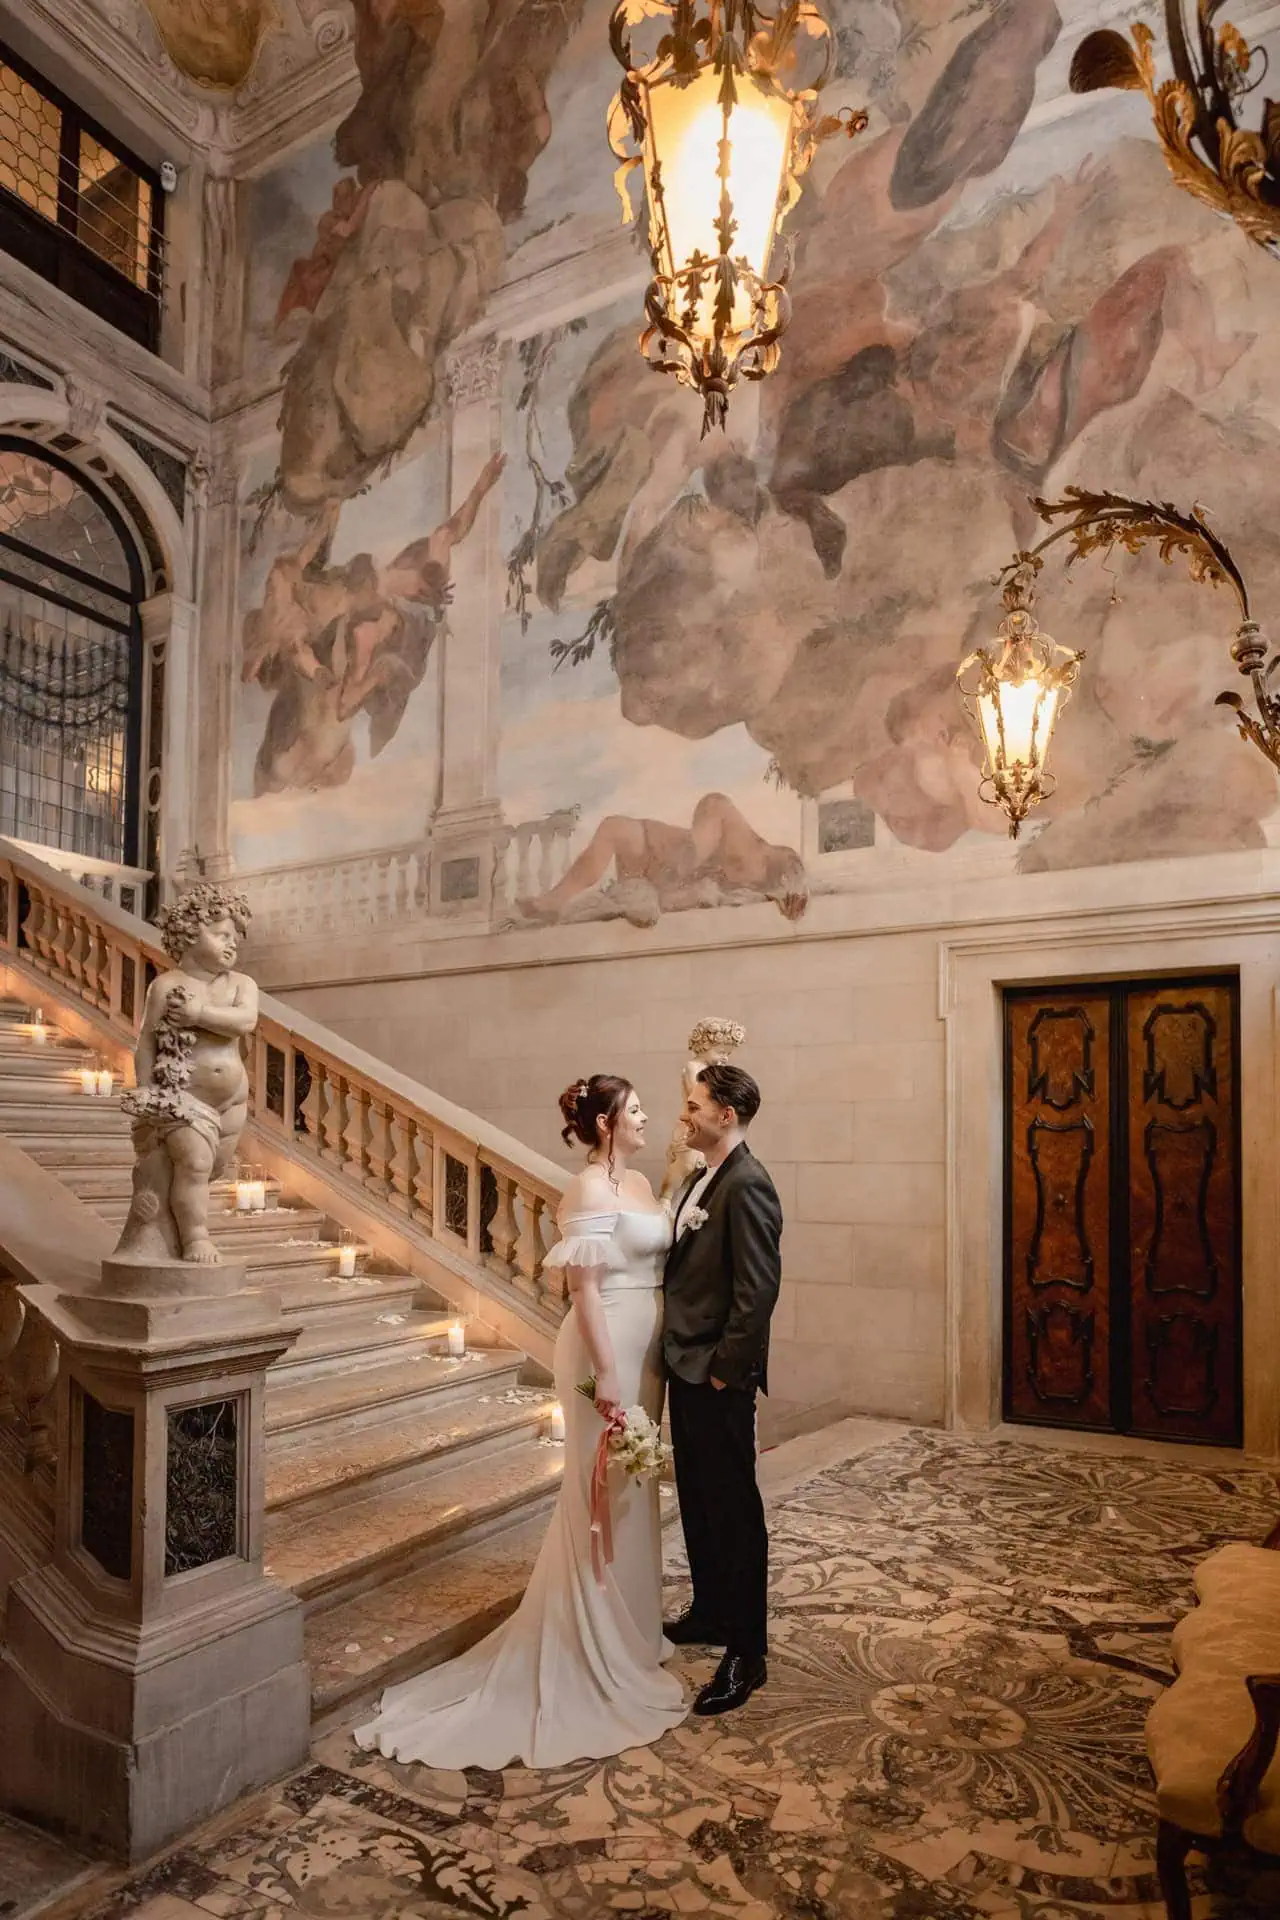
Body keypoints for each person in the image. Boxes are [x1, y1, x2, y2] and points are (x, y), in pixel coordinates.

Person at [354, 1074, 686, 1768]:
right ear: (605, 1124)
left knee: (635, 1489)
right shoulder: (587, 1189)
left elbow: (659, 1243)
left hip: (647, 1350)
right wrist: (608, 1374)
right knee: (599, 1490)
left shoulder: (639, 1183)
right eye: (634, 1110)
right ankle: (591, 1644)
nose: (645, 1117)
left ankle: (632, 1636)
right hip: (604, 1349)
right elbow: (584, 1291)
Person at [663, 1063, 782, 1714]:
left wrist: (723, 1371)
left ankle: (747, 1652)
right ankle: (710, 1609)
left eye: (694, 1104)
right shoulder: (702, 1176)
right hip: (686, 1367)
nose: (685, 1114)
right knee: (699, 1500)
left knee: (734, 1512)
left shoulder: (748, 1182)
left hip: (716, 1374)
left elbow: (756, 1291)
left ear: (724, 1115)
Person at [116, 883, 258, 1267]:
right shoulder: (166, 986)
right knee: (194, 1163)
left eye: (235, 937)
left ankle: (169, 1228)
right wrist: (147, 1091)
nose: (232, 944)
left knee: (212, 1168)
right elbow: (146, 1043)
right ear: (191, 934)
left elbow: (245, 1021)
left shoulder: (241, 985)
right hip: (182, 1100)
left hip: (232, 1103)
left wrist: (199, 1015)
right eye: (222, 935)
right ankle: (196, 1236)